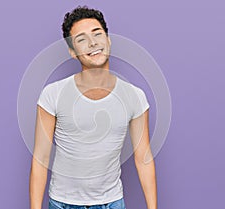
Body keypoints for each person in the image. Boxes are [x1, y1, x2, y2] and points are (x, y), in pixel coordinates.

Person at [30, 5, 157, 209]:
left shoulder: (135, 96)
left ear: (108, 40)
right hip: (63, 203)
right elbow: (40, 158)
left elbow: (143, 157)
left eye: (97, 34)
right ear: (72, 52)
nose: (92, 43)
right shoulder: (52, 94)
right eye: (81, 39)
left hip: (111, 203)